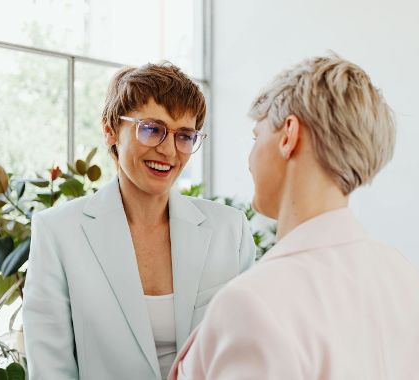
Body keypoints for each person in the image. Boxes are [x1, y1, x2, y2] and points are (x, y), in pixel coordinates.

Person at [168, 54, 419, 379]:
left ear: (288, 135)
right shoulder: (401, 275)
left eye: (257, 137)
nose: (250, 159)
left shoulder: (255, 303)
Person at [23, 62, 255, 380]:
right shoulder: (58, 232)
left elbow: (247, 352)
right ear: (110, 129)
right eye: (151, 129)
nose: (169, 151)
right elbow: (51, 369)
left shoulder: (230, 230)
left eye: (184, 136)